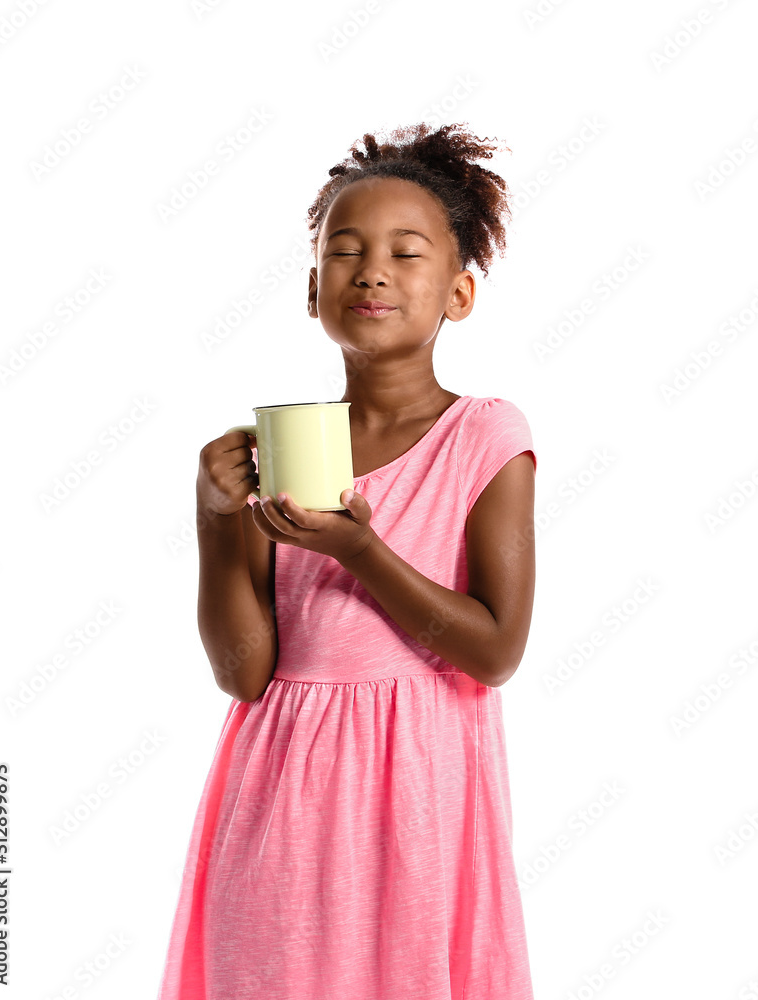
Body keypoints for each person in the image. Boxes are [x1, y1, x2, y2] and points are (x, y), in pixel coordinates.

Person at [157, 122, 538, 999]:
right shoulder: (281, 452)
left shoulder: (486, 435)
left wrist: (362, 550)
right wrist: (220, 520)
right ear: (311, 288)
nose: (371, 270)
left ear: (459, 292)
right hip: (278, 798)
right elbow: (246, 673)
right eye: (344, 250)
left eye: (407, 253)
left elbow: (494, 650)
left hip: (419, 801)